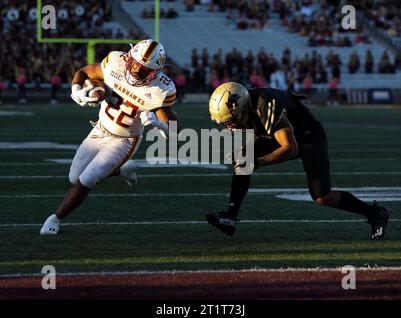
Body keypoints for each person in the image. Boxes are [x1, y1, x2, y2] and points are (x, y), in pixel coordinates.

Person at [206, 82, 391, 240]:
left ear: (241, 107)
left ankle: (375, 213)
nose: (229, 126)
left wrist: (260, 161)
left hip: (307, 136)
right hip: (282, 135)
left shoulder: (264, 104)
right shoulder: (244, 107)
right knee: (243, 158)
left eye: (230, 120)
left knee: (322, 196)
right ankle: (231, 215)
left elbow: (290, 148)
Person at [40, 39, 181, 235]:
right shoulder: (116, 61)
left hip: (124, 140)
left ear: (155, 72)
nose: (135, 72)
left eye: (143, 70)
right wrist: (76, 92)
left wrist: (159, 124)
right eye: (134, 64)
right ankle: (123, 170)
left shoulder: (159, 90)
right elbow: (84, 73)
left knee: (87, 179)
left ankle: (55, 218)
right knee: (74, 177)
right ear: (129, 57)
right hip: (99, 129)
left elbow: (176, 131)